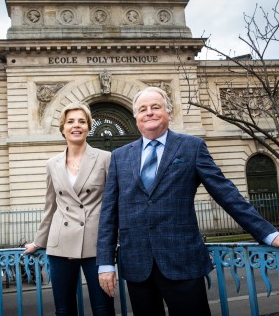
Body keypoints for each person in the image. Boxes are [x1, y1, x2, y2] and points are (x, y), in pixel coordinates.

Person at [96, 86, 279, 316]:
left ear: (169, 112)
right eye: (143, 109)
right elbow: (109, 212)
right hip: (137, 264)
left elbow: (225, 193)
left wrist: (268, 233)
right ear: (136, 118)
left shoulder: (192, 147)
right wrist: (105, 262)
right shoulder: (119, 156)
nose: (149, 112)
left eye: (155, 107)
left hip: (182, 261)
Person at [24, 102, 115, 316]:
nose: (76, 126)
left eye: (82, 122)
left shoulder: (105, 158)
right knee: (64, 310)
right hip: (60, 243)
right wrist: (39, 241)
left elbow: (114, 204)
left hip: (95, 244)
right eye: (71, 121)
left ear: (89, 127)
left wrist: (116, 239)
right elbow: (50, 205)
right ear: (63, 128)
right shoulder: (52, 163)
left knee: (103, 309)